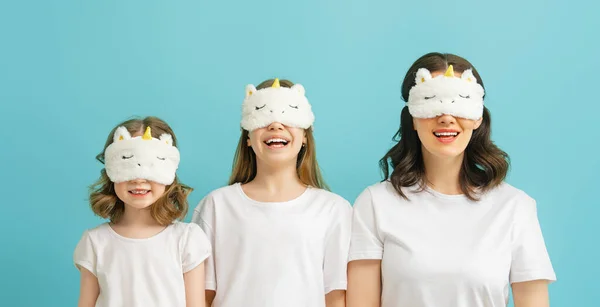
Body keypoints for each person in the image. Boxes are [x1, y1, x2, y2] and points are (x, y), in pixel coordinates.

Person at [346, 53, 556, 307]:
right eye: (432, 101)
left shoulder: (515, 207)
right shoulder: (375, 204)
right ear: (413, 116)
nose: (446, 116)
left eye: (459, 103)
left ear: (477, 116)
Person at [192, 78, 352, 307]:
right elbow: (202, 296)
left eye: (288, 117)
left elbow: (335, 297)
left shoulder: (334, 210)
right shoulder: (216, 206)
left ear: (305, 136)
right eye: (264, 116)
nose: (276, 125)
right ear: (248, 137)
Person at [74, 116, 211, 307]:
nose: (138, 179)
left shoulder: (187, 240)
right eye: (128, 165)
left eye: (150, 167)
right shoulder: (95, 242)